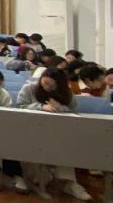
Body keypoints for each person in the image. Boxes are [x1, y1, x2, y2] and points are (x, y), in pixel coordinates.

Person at [15, 68, 92, 201]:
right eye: (45, 82)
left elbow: (75, 112)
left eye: (51, 85)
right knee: (32, 150)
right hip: (30, 130)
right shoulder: (29, 88)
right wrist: (41, 107)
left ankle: (69, 183)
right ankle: (38, 178)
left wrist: (60, 108)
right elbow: (19, 106)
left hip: (58, 132)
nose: (46, 87)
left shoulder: (67, 94)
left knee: (66, 147)